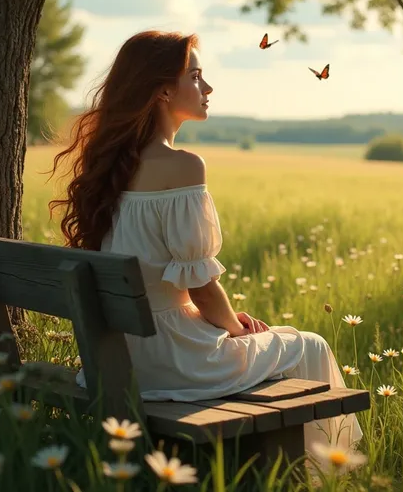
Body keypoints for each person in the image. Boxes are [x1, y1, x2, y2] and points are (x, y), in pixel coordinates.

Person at [49, 30, 362, 453]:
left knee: (280, 337)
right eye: (195, 76)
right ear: (162, 88)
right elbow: (199, 284)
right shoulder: (182, 167)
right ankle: (325, 472)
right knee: (309, 344)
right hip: (174, 361)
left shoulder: (111, 167)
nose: (208, 87)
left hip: (116, 357)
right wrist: (234, 328)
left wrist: (223, 323)